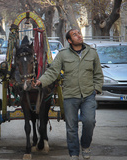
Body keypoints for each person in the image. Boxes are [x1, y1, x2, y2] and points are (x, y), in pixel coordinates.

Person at [34, 29, 103, 160]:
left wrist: (96, 89)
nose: (79, 36)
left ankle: (86, 146)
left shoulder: (92, 53)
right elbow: (53, 71)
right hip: (70, 96)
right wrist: (40, 81)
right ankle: (74, 154)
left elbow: (98, 73)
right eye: (75, 35)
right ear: (69, 41)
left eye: (79, 33)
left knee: (89, 121)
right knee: (71, 127)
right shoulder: (63, 55)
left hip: (88, 95)